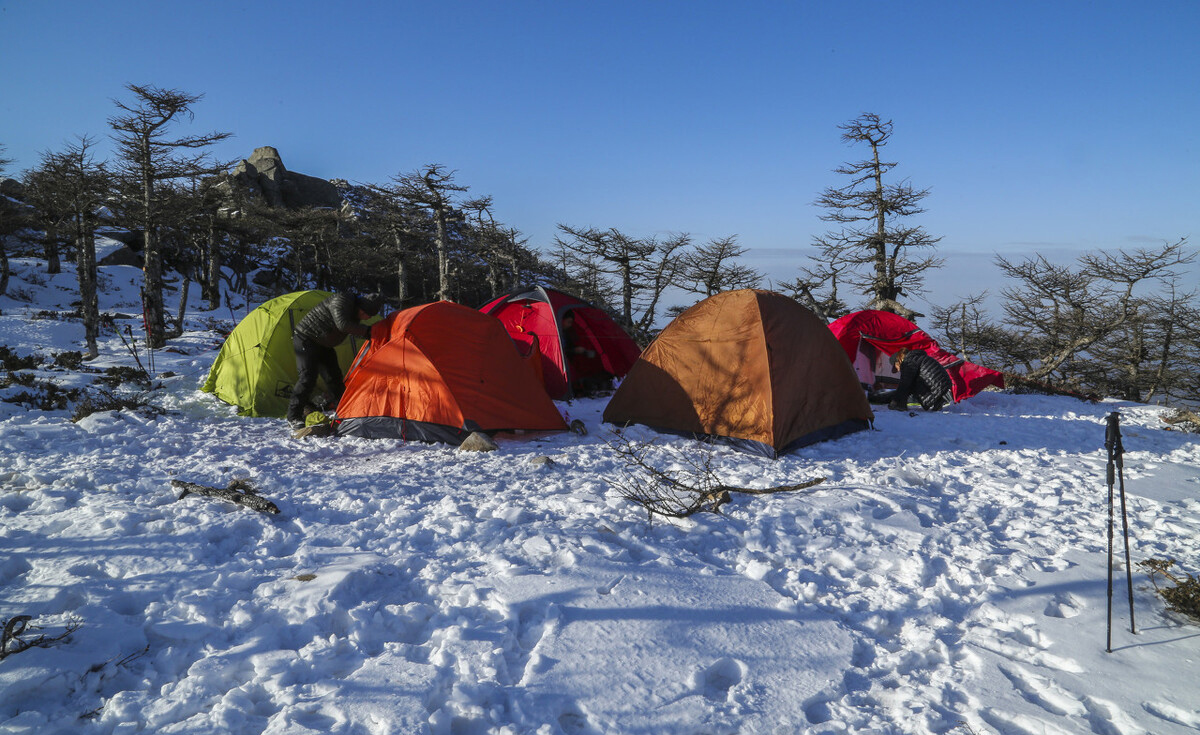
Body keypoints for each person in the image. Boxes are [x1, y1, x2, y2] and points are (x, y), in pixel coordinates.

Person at [287, 292, 383, 429]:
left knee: (334, 378)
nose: (366, 317)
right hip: (306, 338)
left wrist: (376, 336)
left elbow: (353, 329)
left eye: (370, 316)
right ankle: (293, 416)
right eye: (366, 314)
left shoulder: (354, 312)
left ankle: (345, 411)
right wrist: (369, 331)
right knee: (307, 377)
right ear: (361, 306)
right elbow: (343, 325)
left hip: (323, 343)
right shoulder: (342, 299)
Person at [560, 311, 612, 397]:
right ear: (562, 320)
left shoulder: (566, 333)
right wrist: (573, 351)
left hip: (570, 361)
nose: (570, 325)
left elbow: (568, 349)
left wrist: (579, 351)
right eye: (568, 322)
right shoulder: (557, 332)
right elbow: (560, 352)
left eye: (571, 322)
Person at [888, 347, 954, 412]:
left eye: (896, 367)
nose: (898, 370)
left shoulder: (908, 361)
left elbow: (904, 383)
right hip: (943, 383)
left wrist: (895, 401)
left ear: (898, 362)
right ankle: (938, 401)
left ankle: (900, 405)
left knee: (910, 384)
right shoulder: (916, 358)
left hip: (937, 385)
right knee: (912, 381)